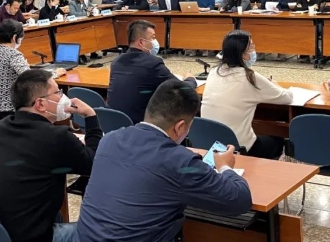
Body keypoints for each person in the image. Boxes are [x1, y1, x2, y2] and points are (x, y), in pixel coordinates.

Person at [77, 79, 252, 242]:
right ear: (180, 127)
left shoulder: (110, 139)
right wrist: (224, 166)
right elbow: (240, 201)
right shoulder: (180, 162)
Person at [0, 69, 102, 242]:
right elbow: (95, 163)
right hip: (27, 237)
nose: (63, 97)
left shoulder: (2, 126)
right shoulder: (56, 137)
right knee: (102, 231)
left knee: (55, 213)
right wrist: (90, 116)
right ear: (40, 104)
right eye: (57, 92)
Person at [202, 30, 292, 158]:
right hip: (239, 148)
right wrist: (273, 84)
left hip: (209, 144)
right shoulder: (249, 77)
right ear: (243, 54)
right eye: (252, 47)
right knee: (279, 141)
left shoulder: (214, 71)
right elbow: (287, 97)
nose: (254, 51)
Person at [108, 20, 196, 124]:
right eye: (152, 38)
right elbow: (180, 88)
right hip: (140, 124)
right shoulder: (152, 63)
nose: (155, 42)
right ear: (141, 42)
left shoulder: (116, 62)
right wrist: (190, 79)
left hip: (112, 123)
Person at [0, 20, 66, 121]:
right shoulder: (13, 54)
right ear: (14, 37)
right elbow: (30, 77)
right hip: (8, 108)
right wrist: (54, 73)